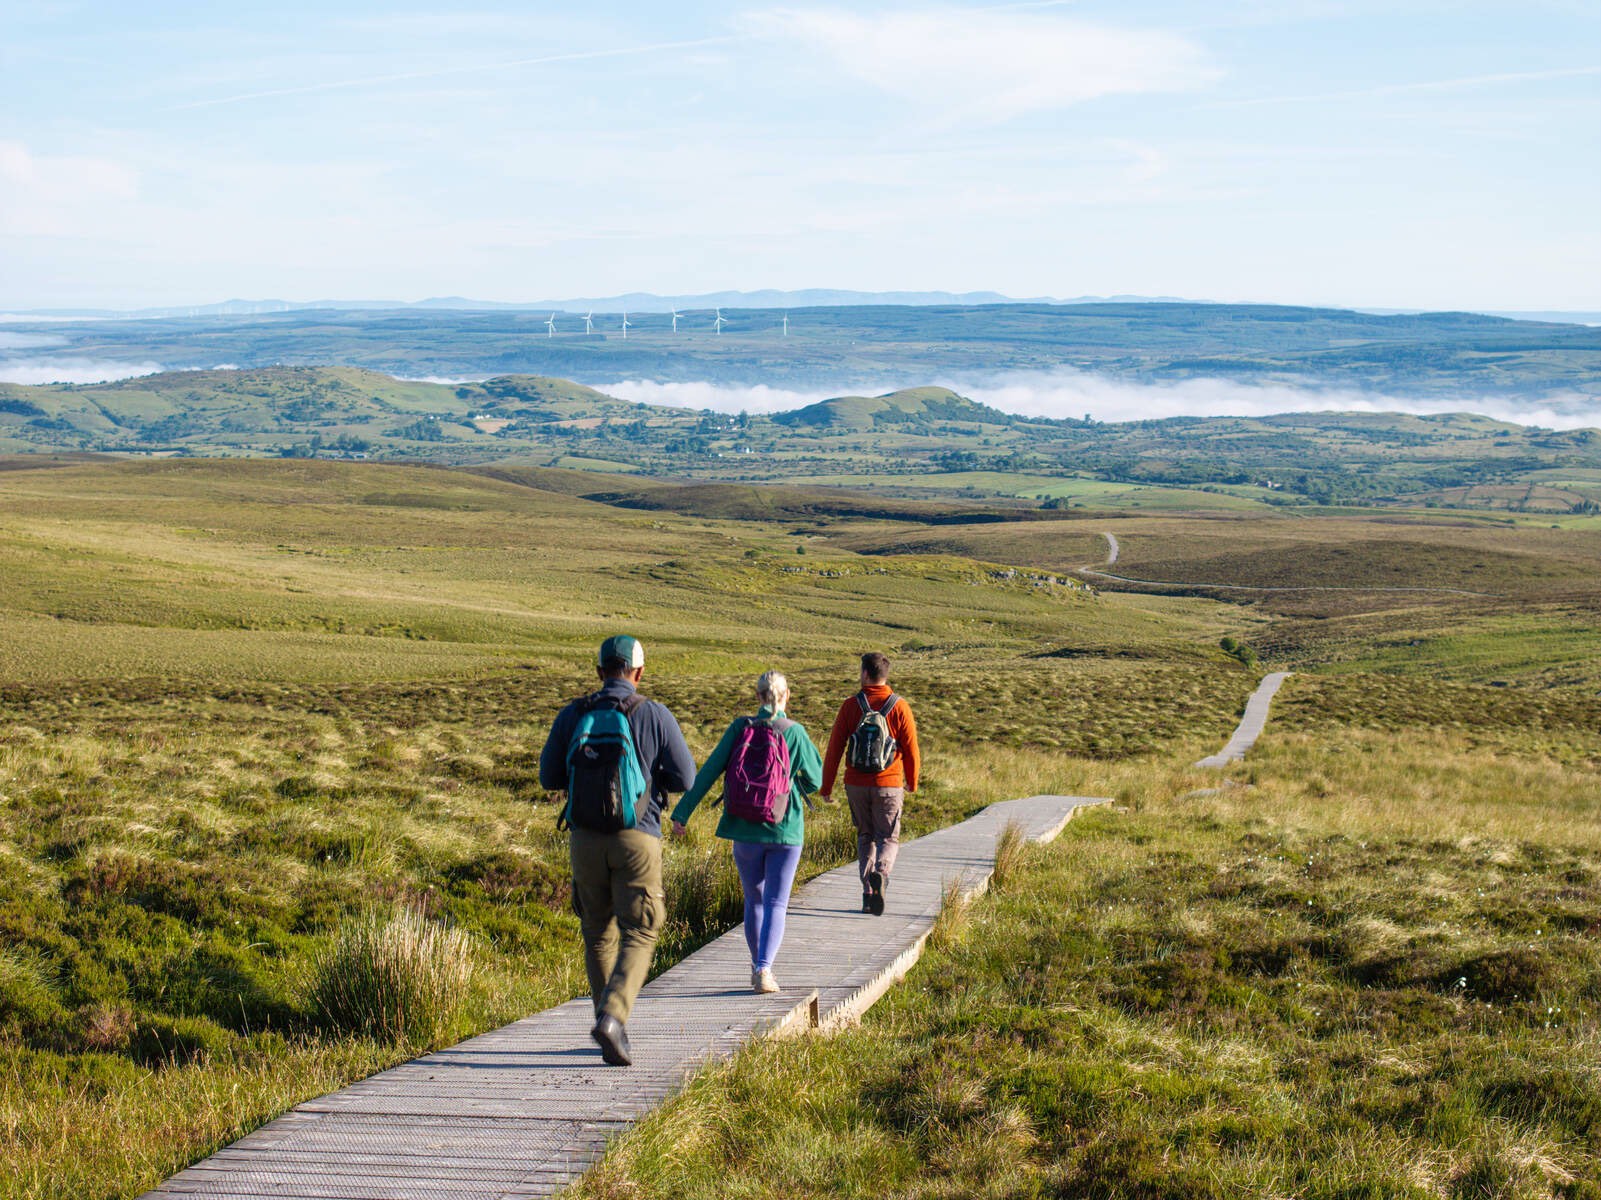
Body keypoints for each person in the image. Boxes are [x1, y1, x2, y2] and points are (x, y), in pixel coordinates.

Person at [539, 634, 696, 1067]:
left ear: (598, 671)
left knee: (597, 930)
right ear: (639, 672)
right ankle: (613, 1017)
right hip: (638, 837)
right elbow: (685, 775)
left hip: (584, 838)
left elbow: (549, 776)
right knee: (642, 929)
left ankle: (609, 1023)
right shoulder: (653, 714)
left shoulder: (574, 714)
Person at [670, 671, 822, 994]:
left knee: (754, 900)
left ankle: (757, 966)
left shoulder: (741, 728)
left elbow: (710, 770)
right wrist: (790, 786)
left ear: (758, 697)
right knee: (776, 902)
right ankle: (765, 969)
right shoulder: (795, 733)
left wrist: (682, 813)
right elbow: (816, 780)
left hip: (742, 827)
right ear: (786, 697)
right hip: (785, 829)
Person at [819, 651, 920, 916]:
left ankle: (867, 892)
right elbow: (911, 749)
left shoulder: (850, 705)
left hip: (856, 784)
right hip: (889, 783)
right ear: (885, 675)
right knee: (887, 836)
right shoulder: (899, 706)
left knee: (865, 836)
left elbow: (834, 749)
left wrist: (826, 787)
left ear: (864, 673)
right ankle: (882, 874)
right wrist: (913, 780)